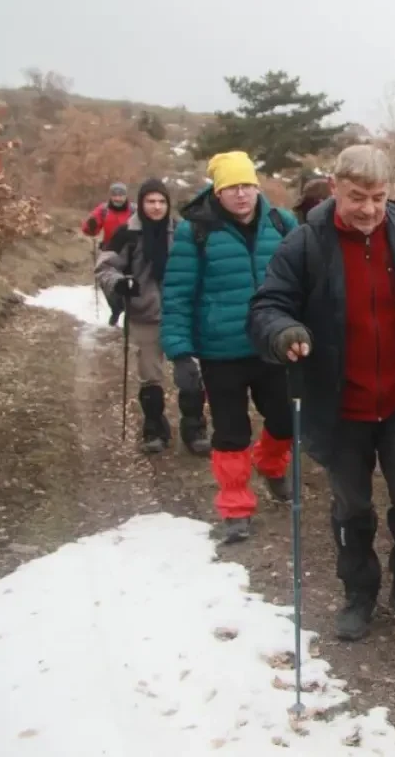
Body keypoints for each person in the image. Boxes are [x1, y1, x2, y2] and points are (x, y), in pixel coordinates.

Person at [247, 144, 395, 644]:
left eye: (378, 196)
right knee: (352, 509)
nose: (368, 208)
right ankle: (359, 593)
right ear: (335, 188)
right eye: (357, 197)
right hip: (339, 403)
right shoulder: (306, 245)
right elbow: (266, 308)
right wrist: (283, 332)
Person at [160, 151, 299, 544]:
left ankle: (271, 464)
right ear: (218, 192)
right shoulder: (196, 231)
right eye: (232, 188)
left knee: (286, 420)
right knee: (231, 431)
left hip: (272, 344)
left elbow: (303, 281)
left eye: (248, 186)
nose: (242, 195)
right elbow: (178, 293)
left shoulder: (281, 222)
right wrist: (180, 352)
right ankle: (236, 507)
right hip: (221, 351)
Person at [95, 178, 210, 456]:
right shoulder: (127, 234)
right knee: (150, 378)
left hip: (182, 314)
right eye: (151, 201)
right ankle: (154, 429)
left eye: (161, 201)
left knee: (191, 375)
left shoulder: (184, 232)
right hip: (144, 315)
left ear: (168, 204)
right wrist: (118, 283)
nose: (156, 207)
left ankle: (194, 429)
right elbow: (104, 267)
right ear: (142, 203)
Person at [82, 182, 135, 326]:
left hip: (130, 252)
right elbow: (90, 230)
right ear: (110, 196)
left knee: (128, 283)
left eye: (121, 195)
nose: (118, 198)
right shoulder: (103, 210)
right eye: (115, 195)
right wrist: (90, 225)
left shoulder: (134, 210)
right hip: (109, 251)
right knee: (107, 284)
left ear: (126, 196)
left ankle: (130, 313)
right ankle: (116, 310)